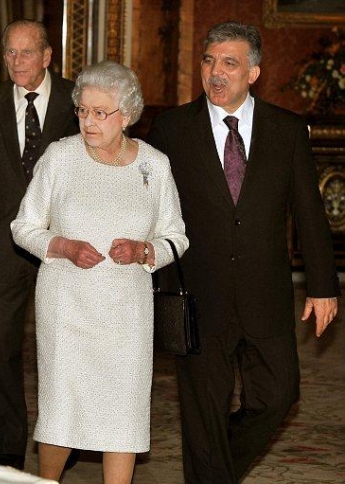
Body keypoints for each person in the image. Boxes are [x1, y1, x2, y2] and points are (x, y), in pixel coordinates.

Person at [147, 21, 340, 483]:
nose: (216, 72)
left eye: (229, 63)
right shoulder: (172, 128)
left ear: (253, 73)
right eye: (209, 61)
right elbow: (147, 206)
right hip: (197, 294)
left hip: (266, 292)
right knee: (204, 411)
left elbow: (308, 211)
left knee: (278, 395)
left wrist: (322, 286)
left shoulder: (287, 130)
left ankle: (213, 471)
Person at [10, 60, 188, 483]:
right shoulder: (60, 156)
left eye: (100, 112)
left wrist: (145, 250)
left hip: (127, 312)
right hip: (67, 307)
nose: (88, 121)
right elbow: (23, 227)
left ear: (126, 115)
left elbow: (177, 237)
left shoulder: (155, 165)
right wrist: (64, 246)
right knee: (62, 408)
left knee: (124, 412)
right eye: (83, 110)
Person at [0, 19, 79, 470]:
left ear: (47, 56)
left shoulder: (77, 99)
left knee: (64, 345)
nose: (16, 61)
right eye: (10, 53)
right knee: (1, 347)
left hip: (64, 239)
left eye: (26, 52)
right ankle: (10, 445)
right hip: (4, 240)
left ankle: (65, 439)